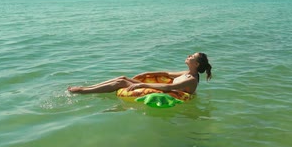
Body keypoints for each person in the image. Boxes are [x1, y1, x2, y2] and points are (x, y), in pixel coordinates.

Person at [67, 52, 212, 94]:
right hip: (161, 88)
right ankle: (89, 87)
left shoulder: (191, 79)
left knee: (121, 82)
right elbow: (167, 73)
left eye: (191, 57)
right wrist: (147, 73)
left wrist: (141, 84)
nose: (188, 56)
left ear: (196, 64)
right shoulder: (186, 73)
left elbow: (168, 88)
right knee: (123, 77)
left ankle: (83, 91)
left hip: (164, 92)